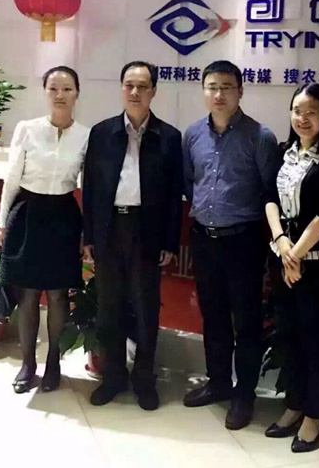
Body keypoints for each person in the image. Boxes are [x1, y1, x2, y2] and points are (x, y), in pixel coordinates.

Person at [181, 60, 280, 430]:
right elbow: (189, 182)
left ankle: (245, 394)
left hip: (244, 241)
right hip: (204, 239)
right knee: (214, 316)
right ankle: (219, 382)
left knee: (247, 321)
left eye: (226, 87)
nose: (219, 94)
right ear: (203, 91)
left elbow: (270, 191)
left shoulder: (260, 137)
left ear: (241, 91)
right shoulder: (192, 135)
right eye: (212, 87)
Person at [83, 61, 183, 411]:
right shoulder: (101, 133)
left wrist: (170, 241)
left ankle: (143, 379)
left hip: (146, 230)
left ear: (154, 91)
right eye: (129, 85)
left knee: (145, 308)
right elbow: (91, 188)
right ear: (121, 88)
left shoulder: (169, 137)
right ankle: (113, 376)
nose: (135, 92)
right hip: (109, 228)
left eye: (143, 86)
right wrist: (88, 236)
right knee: (108, 307)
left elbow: (174, 195)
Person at [263, 83, 319, 452]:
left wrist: (295, 254)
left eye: (311, 112)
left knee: (317, 343)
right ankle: (295, 405)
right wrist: (282, 242)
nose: (303, 118)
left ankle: (315, 415)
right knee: (290, 338)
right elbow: (269, 197)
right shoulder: (283, 153)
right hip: (283, 261)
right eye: (297, 110)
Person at [0, 66, 89, 394]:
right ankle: (27, 364)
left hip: (64, 215)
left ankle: (53, 363)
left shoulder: (86, 136)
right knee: (28, 293)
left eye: (67, 89)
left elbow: (90, 187)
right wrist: (2, 221)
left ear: (77, 93)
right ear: (45, 92)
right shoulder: (28, 129)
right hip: (27, 212)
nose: (60, 95)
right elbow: (11, 178)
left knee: (59, 294)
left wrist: (87, 232)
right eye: (53, 89)